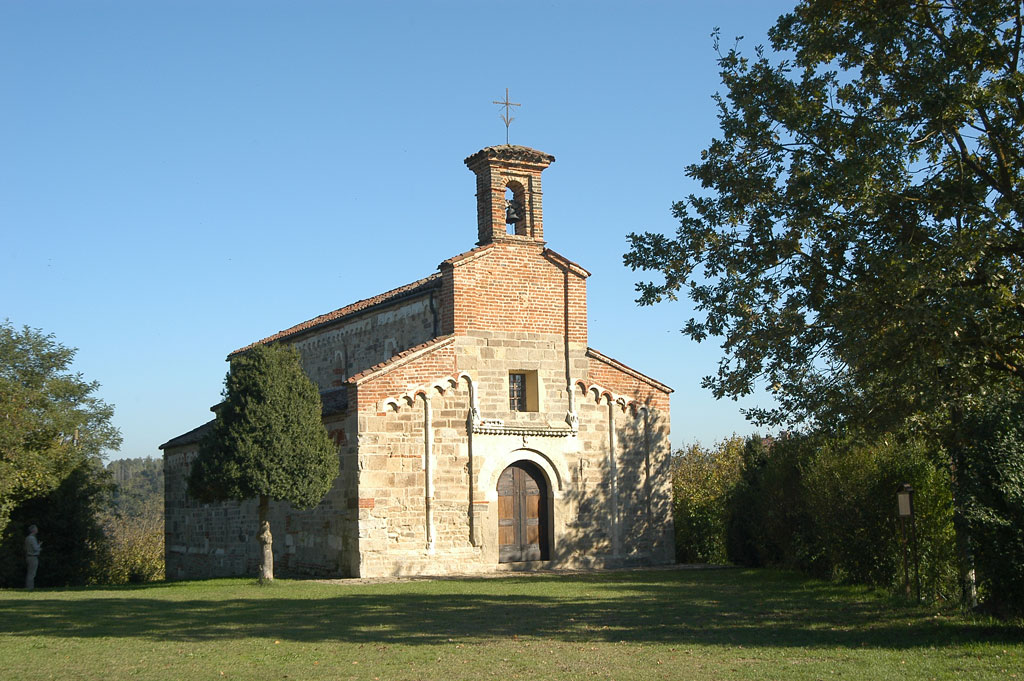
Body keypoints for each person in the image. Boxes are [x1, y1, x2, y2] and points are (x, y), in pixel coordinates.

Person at [24, 524, 41, 590]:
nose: (37, 530)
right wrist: (39, 546)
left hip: (28, 556)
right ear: (33, 530)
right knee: (32, 573)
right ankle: (30, 587)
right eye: (36, 529)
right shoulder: (32, 538)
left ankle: (29, 587)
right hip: (33, 557)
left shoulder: (27, 538)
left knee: (30, 572)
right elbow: (35, 548)